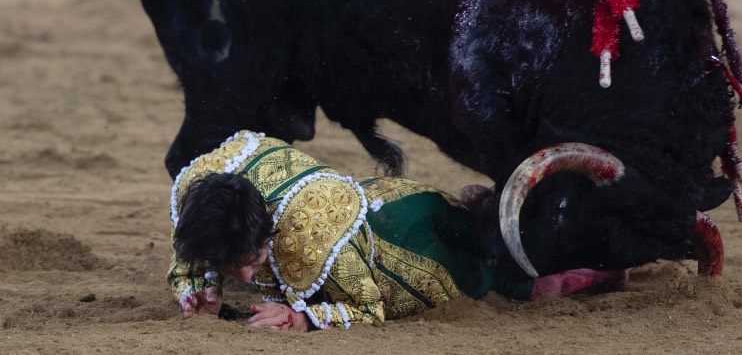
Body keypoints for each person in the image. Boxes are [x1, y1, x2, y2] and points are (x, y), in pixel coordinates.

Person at [169, 130, 625, 331]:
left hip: (403, 240)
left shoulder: (311, 239)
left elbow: (369, 307)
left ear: (269, 232)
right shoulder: (203, 205)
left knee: (497, 279)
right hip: (374, 199)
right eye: (229, 267)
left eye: (251, 261)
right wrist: (199, 291)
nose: (244, 278)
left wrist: (305, 319)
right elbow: (187, 260)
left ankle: (604, 266)